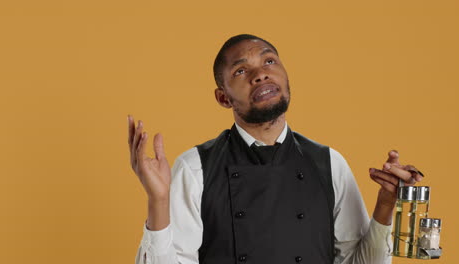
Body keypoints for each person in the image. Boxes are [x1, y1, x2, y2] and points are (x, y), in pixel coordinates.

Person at [128, 34, 424, 264]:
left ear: (285, 74)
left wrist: (386, 204)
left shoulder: (329, 163)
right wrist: (159, 200)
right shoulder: (195, 168)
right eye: (241, 70)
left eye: (269, 61)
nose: (260, 74)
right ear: (223, 98)